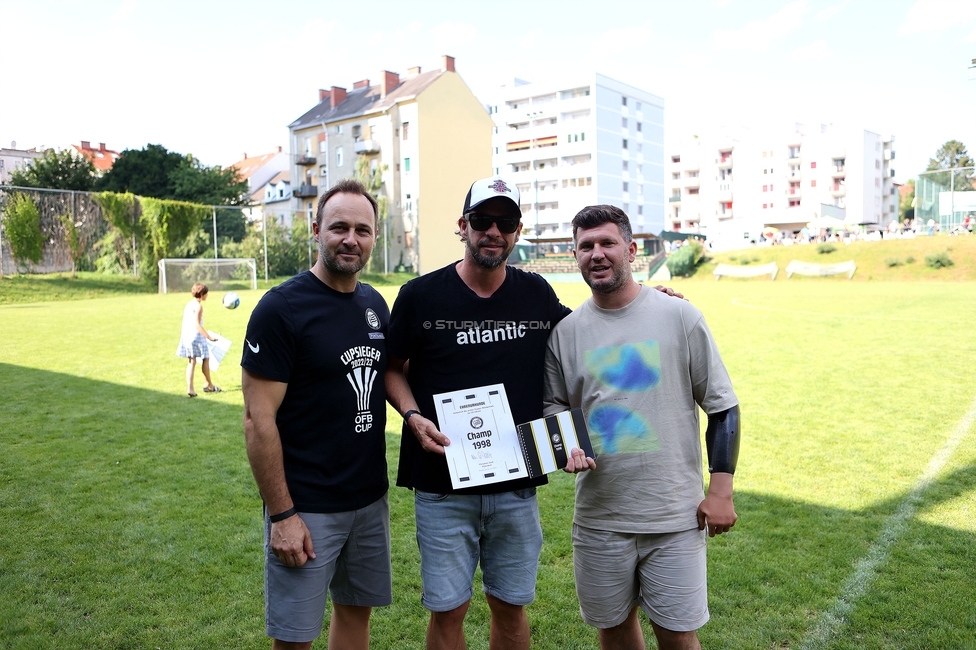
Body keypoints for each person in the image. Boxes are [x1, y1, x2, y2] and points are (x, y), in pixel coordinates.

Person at [384, 176, 570, 650]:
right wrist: (411, 415)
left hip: (515, 484)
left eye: (504, 222)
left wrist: (649, 300)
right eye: (483, 220)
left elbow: (591, 329)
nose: (493, 231)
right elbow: (392, 368)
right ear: (463, 225)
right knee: (448, 611)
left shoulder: (536, 294)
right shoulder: (420, 296)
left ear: (518, 231)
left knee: (510, 606)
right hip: (442, 482)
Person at [543, 204, 741, 650]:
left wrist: (721, 491)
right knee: (613, 630)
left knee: (677, 636)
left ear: (631, 250)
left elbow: (723, 407)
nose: (596, 253)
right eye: (585, 246)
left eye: (607, 243)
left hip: (673, 516)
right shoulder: (566, 333)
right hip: (599, 518)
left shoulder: (679, 316)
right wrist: (564, 446)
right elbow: (555, 405)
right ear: (575, 256)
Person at [241, 179, 391, 650]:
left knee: (355, 617)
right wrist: (283, 515)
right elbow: (257, 419)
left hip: (369, 500)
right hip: (306, 508)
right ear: (316, 230)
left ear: (374, 238)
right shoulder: (282, 308)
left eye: (362, 230)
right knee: (295, 638)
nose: (351, 239)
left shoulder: (373, 304)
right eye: (339, 227)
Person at [175, 282, 219, 397]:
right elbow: (197, 324)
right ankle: (209, 385)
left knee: (191, 362)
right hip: (196, 336)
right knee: (206, 359)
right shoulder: (199, 306)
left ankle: (190, 388)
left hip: (187, 336)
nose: (207, 296)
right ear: (202, 294)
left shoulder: (189, 304)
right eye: (206, 293)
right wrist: (209, 337)